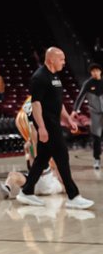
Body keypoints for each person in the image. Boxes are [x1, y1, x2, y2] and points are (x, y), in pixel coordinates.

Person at [16, 47, 93, 209]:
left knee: (42, 159)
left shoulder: (55, 77)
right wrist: (41, 128)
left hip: (54, 122)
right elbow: (35, 104)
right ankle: (73, 196)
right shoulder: (39, 77)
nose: (64, 62)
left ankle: (26, 191)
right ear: (51, 59)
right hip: (48, 124)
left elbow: (58, 102)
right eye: (61, 59)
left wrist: (68, 119)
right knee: (62, 157)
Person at [73, 61, 103, 171]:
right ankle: (96, 159)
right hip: (95, 114)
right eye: (92, 71)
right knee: (97, 138)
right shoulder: (88, 83)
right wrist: (75, 110)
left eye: (96, 70)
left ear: (100, 71)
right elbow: (80, 97)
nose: (95, 73)